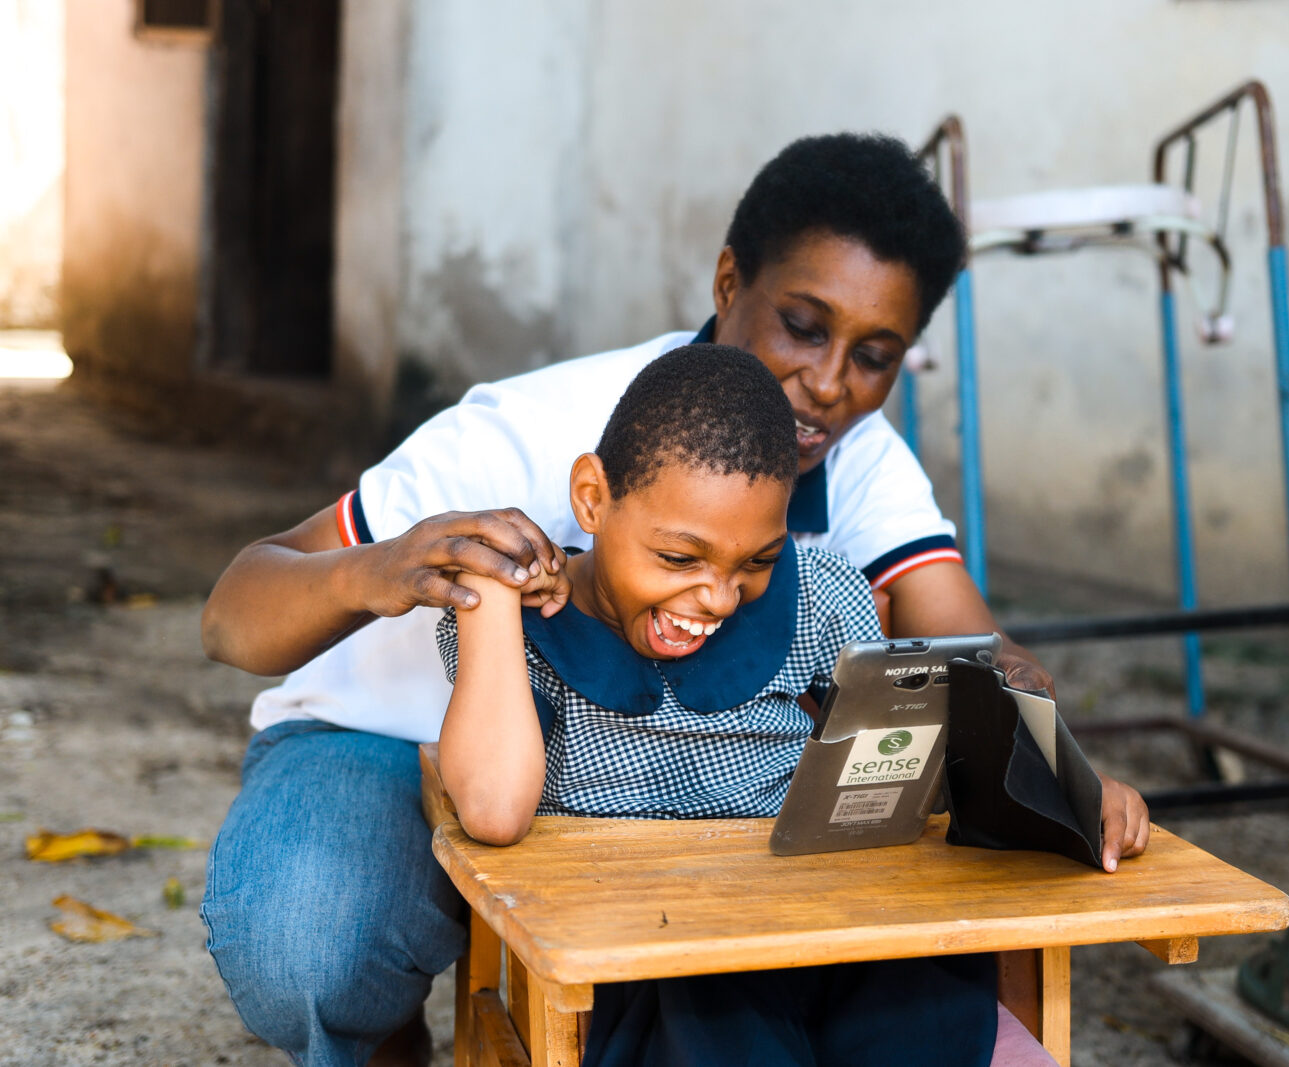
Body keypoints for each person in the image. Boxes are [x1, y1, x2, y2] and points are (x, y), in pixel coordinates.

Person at [200, 132, 1148, 1065]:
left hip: (616, 806)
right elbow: (232, 613)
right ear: (730, 283)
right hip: (381, 736)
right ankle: (381, 1029)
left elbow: (966, 645)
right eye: (805, 325)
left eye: (874, 353)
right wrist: (375, 571)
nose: (826, 383)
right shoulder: (525, 432)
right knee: (315, 949)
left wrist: (1053, 765)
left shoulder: (853, 458)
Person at [436, 343, 1032, 1066]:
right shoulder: (523, 631)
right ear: (592, 498)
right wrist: (490, 593)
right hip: (662, 954)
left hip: (816, 922)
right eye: (680, 559)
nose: (719, 596)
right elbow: (495, 812)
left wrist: (1053, 786)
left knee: (930, 994)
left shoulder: (817, 594)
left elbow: (899, 770)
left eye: (757, 560)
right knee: (715, 1011)